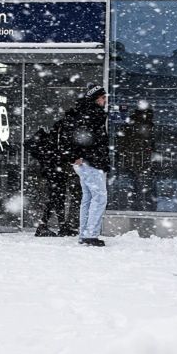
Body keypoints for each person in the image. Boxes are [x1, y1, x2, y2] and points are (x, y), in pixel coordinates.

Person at [53, 85, 110, 247]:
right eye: (102, 97)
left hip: (85, 161)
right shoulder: (91, 114)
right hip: (89, 162)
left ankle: (85, 233)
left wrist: (74, 156)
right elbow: (79, 136)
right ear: (95, 98)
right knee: (99, 197)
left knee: (89, 197)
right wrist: (76, 156)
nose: (105, 100)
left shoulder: (82, 113)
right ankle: (90, 234)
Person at [28, 124, 76, 237]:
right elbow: (60, 154)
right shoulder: (54, 138)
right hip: (55, 172)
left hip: (55, 172)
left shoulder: (53, 138)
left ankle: (61, 226)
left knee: (58, 198)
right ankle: (43, 226)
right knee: (55, 198)